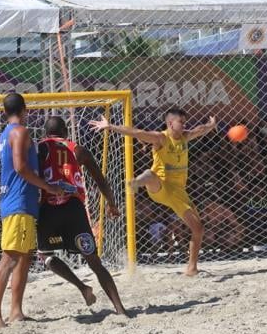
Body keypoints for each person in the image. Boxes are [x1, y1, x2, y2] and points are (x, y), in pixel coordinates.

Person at [90, 108, 217, 276]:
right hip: (160, 187)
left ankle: (192, 268)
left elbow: (199, 130)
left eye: (185, 122)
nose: (185, 125)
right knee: (151, 174)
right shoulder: (161, 138)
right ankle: (136, 182)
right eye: (182, 122)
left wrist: (211, 125)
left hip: (178, 193)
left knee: (198, 229)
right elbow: (137, 132)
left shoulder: (185, 137)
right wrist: (110, 126)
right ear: (171, 123)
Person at [37, 116, 129, 317]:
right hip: (74, 209)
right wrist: (112, 204)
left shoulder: (39, 149)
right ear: (66, 133)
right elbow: (100, 181)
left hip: (49, 208)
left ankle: (83, 288)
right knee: (94, 261)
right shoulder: (78, 150)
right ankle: (120, 309)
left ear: (45, 134)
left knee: (45, 254)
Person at [0, 93, 64, 330]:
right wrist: (48, 186)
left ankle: (16, 311)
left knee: (24, 257)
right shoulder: (19, 132)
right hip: (18, 200)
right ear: (24, 109)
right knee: (10, 257)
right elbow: (21, 167)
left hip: (22, 201)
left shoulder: (6, 134)